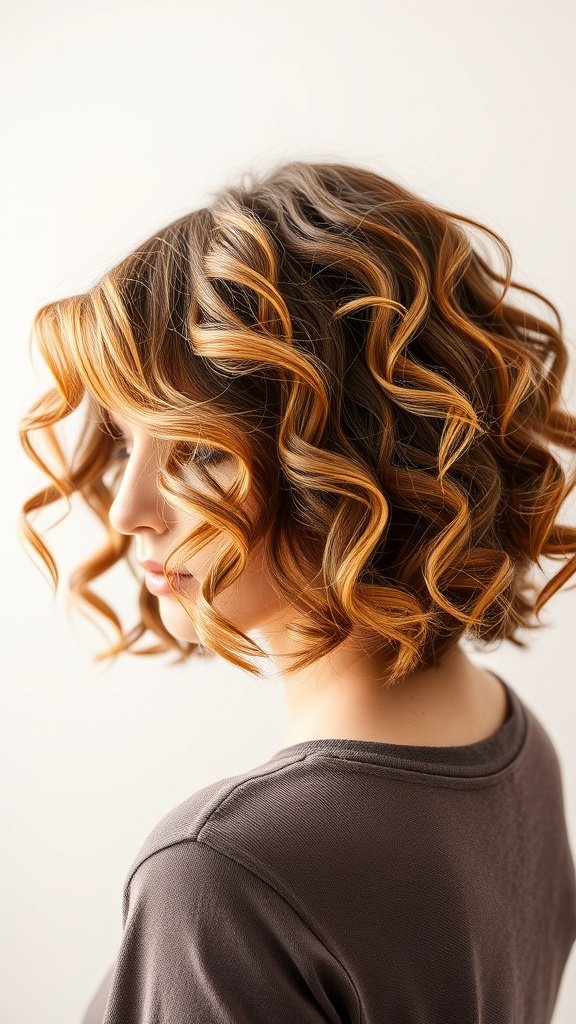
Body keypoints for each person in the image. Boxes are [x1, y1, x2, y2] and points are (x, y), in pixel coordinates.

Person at [19, 159, 576, 1023]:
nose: (128, 510)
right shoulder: (510, 742)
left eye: (200, 451)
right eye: (127, 443)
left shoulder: (225, 877)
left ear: (353, 453)